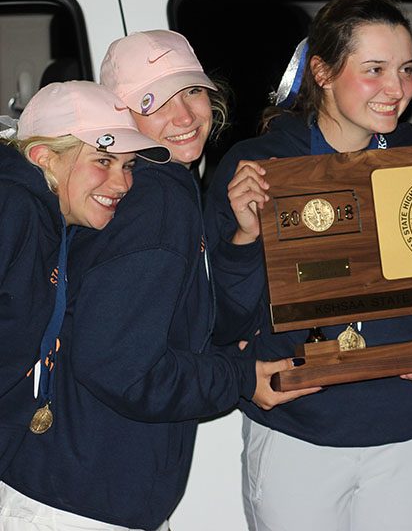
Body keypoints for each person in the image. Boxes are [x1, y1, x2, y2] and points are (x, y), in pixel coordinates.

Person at [0, 31, 314, 531]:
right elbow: (119, 366)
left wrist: (241, 239)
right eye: (154, 102)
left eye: (191, 91)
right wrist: (239, 379)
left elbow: (201, 326)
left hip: (70, 483)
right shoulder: (153, 200)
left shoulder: (148, 187)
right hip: (79, 495)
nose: (185, 116)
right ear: (121, 117)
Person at [203, 0, 412, 531]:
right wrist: (242, 239)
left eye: (406, 70)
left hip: (409, 433)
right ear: (323, 71)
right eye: (374, 69)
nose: (396, 89)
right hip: (299, 432)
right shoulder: (259, 167)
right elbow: (223, 320)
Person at [0, 81, 168, 481]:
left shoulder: (45, 216)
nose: (123, 184)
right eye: (103, 161)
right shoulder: (15, 208)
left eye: (128, 165)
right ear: (44, 158)